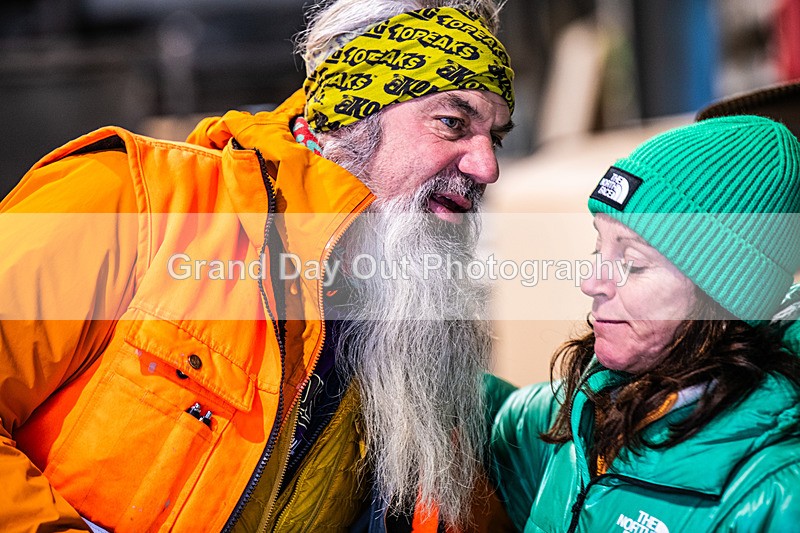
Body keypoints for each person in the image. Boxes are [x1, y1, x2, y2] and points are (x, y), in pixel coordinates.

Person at [0, 0, 515, 531]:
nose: (487, 167)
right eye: (452, 123)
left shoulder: (412, 318)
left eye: (496, 138)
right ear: (353, 113)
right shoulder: (129, 199)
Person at [490, 115, 800, 532]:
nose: (590, 282)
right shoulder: (590, 409)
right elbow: (492, 416)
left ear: (722, 297)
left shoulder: (773, 494)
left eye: (632, 263)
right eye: (598, 249)